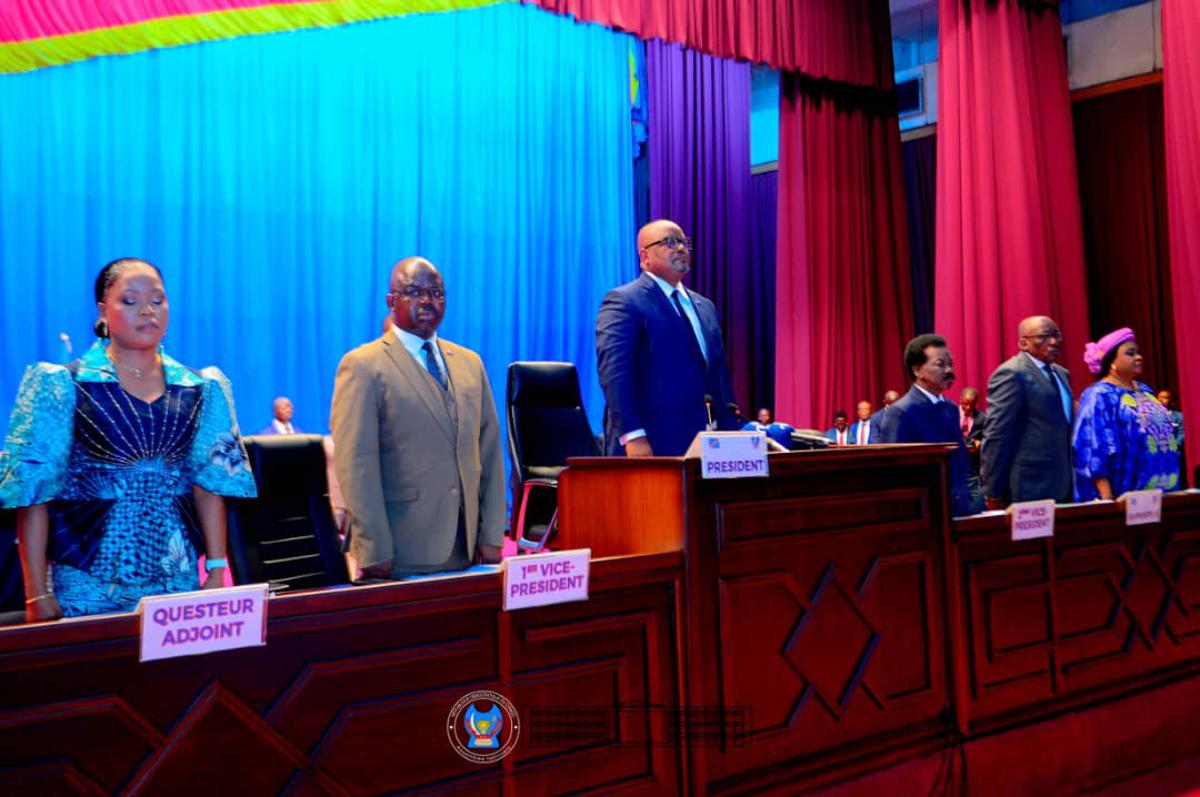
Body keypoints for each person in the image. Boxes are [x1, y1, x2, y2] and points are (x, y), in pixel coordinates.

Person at [0, 258, 256, 621]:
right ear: (104, 311)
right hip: (87, 582)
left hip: (177, 579)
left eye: (157, 300)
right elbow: (35, 495)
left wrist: (216, 570)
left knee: (176, 679)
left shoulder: (200, 388)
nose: (147, 311)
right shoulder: (63, 385)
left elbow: (208, 484)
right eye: (130, 301)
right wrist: (36, 594)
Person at [331, 257, 504, 578]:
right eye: (415, 291)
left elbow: (491, 454)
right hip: (399, 552)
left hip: (467, 548)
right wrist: (373, 550)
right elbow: (356, 466)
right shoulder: (363, 366)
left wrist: (493, 533)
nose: (428, 301)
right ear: (391, 301)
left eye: (437, 293)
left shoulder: (470, 364)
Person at [596, 219, 737, 456]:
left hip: (707, 445)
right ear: (645, 257)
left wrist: (732, 432)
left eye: (684, 242)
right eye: (670, 242)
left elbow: (718, 376)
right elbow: (615, 374)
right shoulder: (624, 301)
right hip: (650, 443)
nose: (681, 248)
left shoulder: (705, 306)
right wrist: (634, 436)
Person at [879, 334, 982, 516]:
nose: (949, 370)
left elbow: (962, 461)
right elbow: (894, 475)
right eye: (940, 364)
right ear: (918, 370)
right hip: (926, 515)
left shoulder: (950, 408)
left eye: (951, 364)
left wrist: (975, 502)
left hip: (961, 511)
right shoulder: (901, 412)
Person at [1073, 328, 1180, 501]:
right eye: (1130, 353)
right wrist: (1106, 499)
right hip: (1123, 498)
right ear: (1112, 362)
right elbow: (1093, 448)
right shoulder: (1099, 395)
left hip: (1161, 493)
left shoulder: (1145, 390)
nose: (1139, 357)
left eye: (1137, 352)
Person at [980, 316, 1074, 508]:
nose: (1054, 342)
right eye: (1044, 336)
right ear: (1024, 343)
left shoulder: (1062, 373)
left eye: (1056, 335)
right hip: (1031, 485)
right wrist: (992, 490)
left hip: (1066, 482)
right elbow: (997, 434)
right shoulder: (1012, 373)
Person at [958, 387, 986, 453]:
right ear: (960, 400)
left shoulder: (982, 418)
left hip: (974, 457)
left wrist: (981, 443)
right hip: (956, 456)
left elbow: (986, 436)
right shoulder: (952, 414)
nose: (968, 407)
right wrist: (971, 441)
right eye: (965, 404)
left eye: (972, 404)